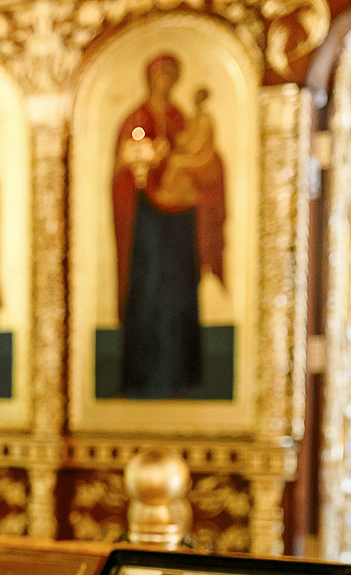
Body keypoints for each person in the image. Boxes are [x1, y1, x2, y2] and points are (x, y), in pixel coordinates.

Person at [111, 53, 226, 399]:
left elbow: (199, 154)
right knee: (147, 287)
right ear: (150, 79)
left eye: (169, 77)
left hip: (178, 220)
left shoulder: (180, 118)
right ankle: (142, 378)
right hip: (145, 219)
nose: (164, 83)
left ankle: (180, 374)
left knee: (178, 288)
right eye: (159, 76)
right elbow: (120, 170)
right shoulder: (136, 117)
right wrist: (142, 162)